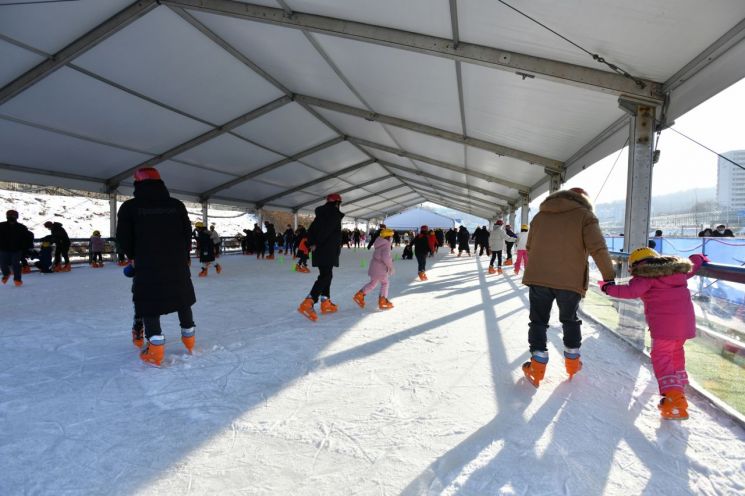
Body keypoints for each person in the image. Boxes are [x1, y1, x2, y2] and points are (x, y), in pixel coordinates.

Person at [520, 187, 616, 387]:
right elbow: (598, 248)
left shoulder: (540, 216)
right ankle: (572, 362)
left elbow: (530, 246)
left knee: (538, 321)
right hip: (569, 281)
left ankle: (537, 363)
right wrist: (609, 276)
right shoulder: (585, 216)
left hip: (539, 278)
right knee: (570, 320)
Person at [600, 247, 708, 420]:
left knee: (661, 355)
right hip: (685, 323)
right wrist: (698, 257)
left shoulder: (645, 276)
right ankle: (679, 387)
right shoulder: (676, 270)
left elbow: (631, 291)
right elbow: (692, 266)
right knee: (675, 352)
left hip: (665, 326)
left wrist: (607, 288)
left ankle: (674, 401)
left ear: (636, 264)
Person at [116, 167, 197, 367]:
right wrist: (184, 254)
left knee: (149, 299)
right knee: (181, 296)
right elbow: (187, 233)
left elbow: (123, 238)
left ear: (137, 183)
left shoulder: (130, 207)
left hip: (147, 261)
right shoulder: (176, 205)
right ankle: (189, 336)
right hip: (176, 261)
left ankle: (155, 348)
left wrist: (132, 256)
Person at [298, 193, 344, 322]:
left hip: (319, 248)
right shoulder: (333, 214)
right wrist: (316, 243)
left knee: (326, 274)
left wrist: (311, 243)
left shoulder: (321, 214)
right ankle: (309, 300)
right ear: (337, 203)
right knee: (326, 276)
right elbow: (326, 231)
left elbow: (311, 230)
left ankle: (325, 301)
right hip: (326, 249)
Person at [353, 228, 395, 310]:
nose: (391, 238)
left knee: (373, 283)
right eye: (391, 236)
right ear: (388, 237)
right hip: (380, 269)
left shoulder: (379, 242)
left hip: (374, 267)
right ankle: (383, 300)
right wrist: (391, 267)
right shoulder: (386, 245)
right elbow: (386, 257)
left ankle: (360, 295)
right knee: (385, 283)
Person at [0, 209, 33, 287]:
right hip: (3, 249)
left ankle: (17, 279)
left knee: (16, 264)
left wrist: (26, 247)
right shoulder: (1, 225)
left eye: (13, 215)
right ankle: (6, 274)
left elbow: (29, 236)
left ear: (16, 217)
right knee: (2, 264)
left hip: (17, 249)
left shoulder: (21, 227)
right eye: (9, 215)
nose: (11, 217)